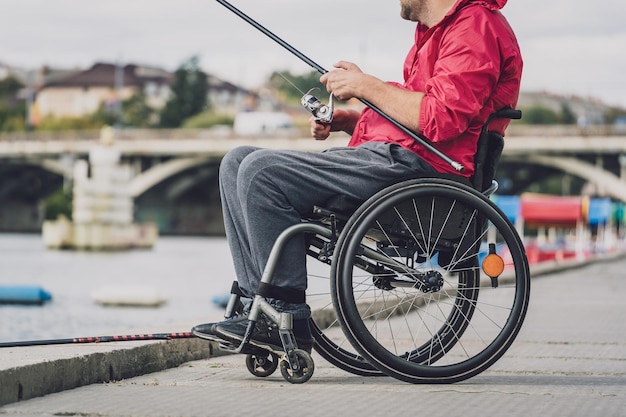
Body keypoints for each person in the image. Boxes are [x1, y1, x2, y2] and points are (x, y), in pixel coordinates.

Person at [192, 0, 522, 353]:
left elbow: (441, 117)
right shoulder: (441, 31)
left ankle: (286, 313)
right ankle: (255, 310)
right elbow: (415, 113)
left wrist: (365, 85)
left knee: (261, 173)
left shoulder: (474, 26)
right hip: (402, 160)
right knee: (236, 161)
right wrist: (350, 121)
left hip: (424, 171)